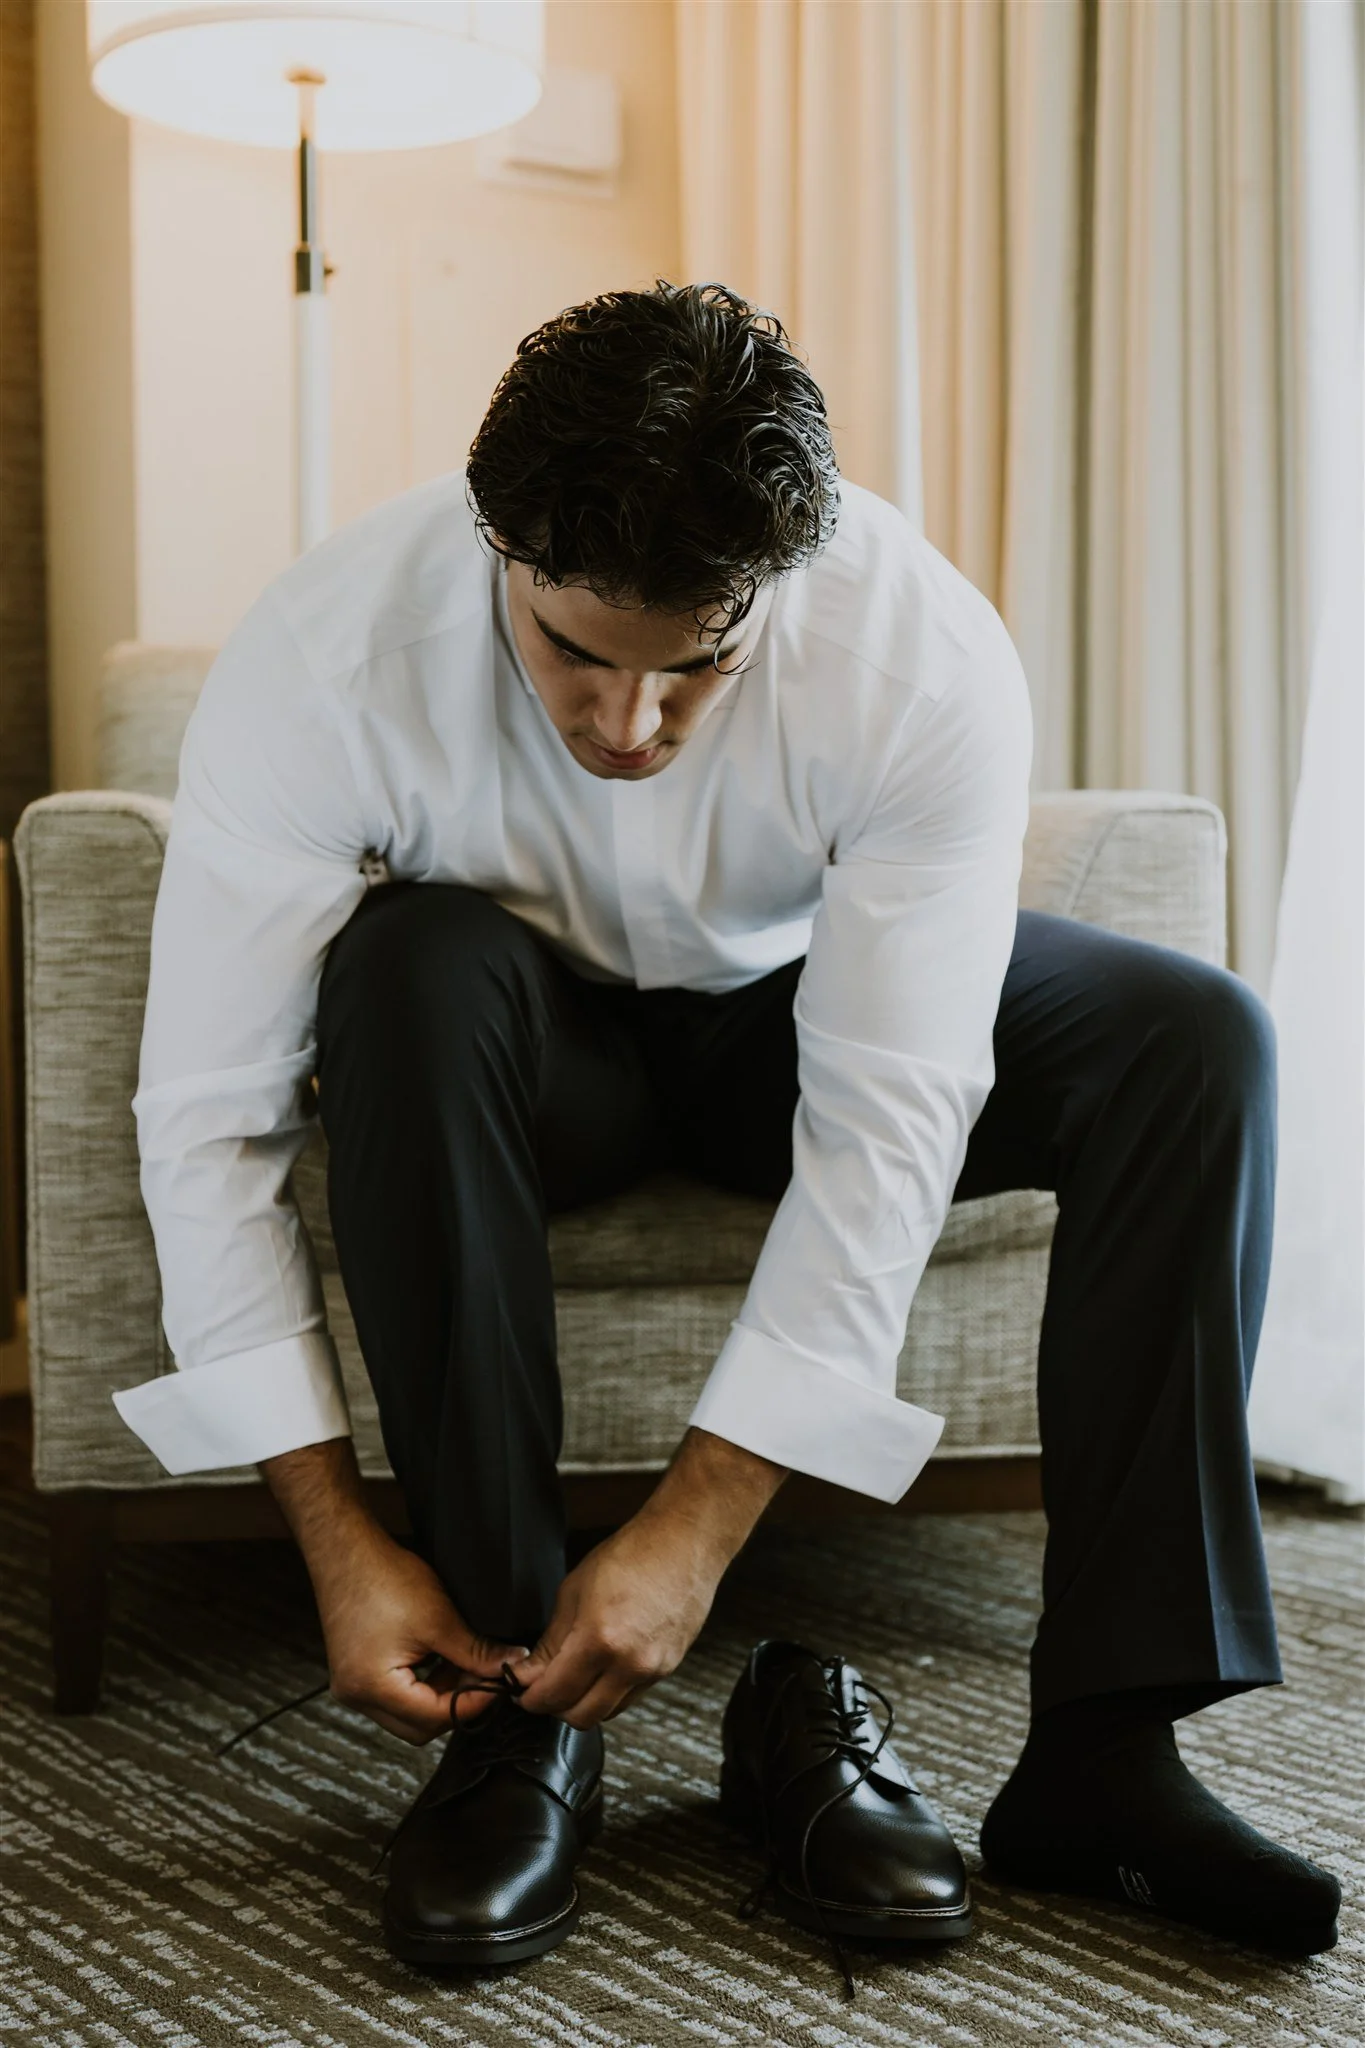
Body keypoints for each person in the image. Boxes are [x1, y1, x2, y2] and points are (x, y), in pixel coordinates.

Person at [116, 281, 1339, 1981]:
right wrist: (335, 1537)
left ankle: (1109, 1759)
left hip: (786, 1021)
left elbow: (891, 1113)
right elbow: (206, 1115)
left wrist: (698, 1527)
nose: (632, 727)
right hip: (524, 1050)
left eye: (698, 668)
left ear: (777, 585)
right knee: (404, 963)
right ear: (499, 551)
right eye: (573, 655)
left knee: (1194, 1038)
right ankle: (509, 1706)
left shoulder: (920, 655)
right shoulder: (328, 653)